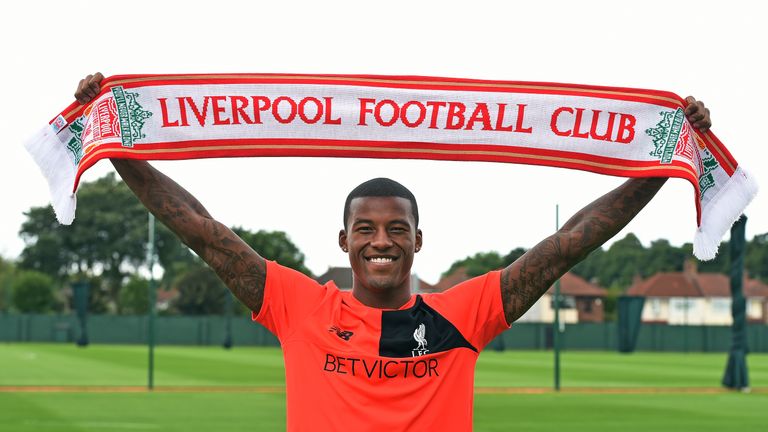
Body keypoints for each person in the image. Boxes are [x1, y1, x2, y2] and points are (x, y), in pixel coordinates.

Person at [75, 73, 711, 431]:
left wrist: (661, 166)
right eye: (367, 229)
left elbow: (567, 246)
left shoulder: (466, 312)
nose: (382, 241)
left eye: (397, 229)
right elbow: (202, 231)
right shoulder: (298, 305)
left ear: (418, 241)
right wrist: (117, 145)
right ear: (344, 241)